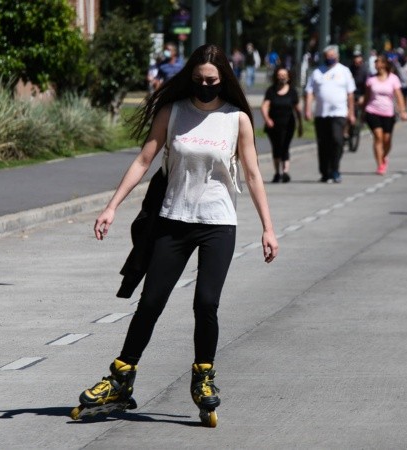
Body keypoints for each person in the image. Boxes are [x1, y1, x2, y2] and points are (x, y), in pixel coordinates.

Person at [73, 44, 279, 427]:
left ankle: (203, 377)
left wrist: (268, 228)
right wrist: (112, 206)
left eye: (212, 81)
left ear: (224, 80)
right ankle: (121, 378)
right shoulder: (174, 112)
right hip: (174, 219)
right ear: (190, 78)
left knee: (206, 303)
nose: (205, 86)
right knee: (150, 303)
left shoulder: (237, 120)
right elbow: (143, 159)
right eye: (199, 80)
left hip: (218, 224)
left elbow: (252, 175)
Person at [304, 45, 356, 183]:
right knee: (323, 144)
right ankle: (325, 172)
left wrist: (351, 112)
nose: (330, 58)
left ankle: (335, 169)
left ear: (337, 56)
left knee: (337, 140)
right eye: (327, 56)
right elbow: (309, 92)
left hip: (339, 113)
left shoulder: (344, 71)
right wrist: (308, 109)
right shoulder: (317, 72)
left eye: (332, 56)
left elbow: (350, 94)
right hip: (321, 114)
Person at [363, 55, 407, 175]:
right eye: (375, 63)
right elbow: (367, 96)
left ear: (384, 64)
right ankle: (380, 164)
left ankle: (384, 156)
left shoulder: (393, 79)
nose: (376, 65)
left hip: (388, 112)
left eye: (378, 62)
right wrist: (362, 110)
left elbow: (399, 96)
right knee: (378, 137)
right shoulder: (371, 79)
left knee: (387, 139)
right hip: (372, 111)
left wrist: (402, 110)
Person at [261, 66, 302, 182]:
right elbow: (264, 106)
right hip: (273, 125)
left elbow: (297, 109)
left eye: (284, 75)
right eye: (280, 75)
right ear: (276, 77)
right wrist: (267, 119)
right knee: (276, 148)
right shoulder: (271, 91)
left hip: (289, 125)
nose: (282, 78)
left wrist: (300, 126)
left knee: (285, 147)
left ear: (288, 77)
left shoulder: (292, 91)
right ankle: (277, 172)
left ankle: (285, 172)